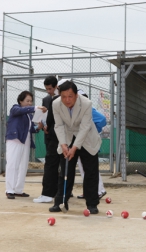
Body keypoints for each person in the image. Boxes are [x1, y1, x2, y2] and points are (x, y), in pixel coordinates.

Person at [49, 81, 101, 214]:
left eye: (70, 96)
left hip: (87, 139)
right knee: (65, 172)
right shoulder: (55, 104)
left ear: (76, 95)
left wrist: (74, 147)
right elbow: (58, 125)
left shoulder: (86, 104)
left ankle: (92, 204)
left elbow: (85, 127)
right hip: (67, 138)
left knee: (91, 172)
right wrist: (64, 145)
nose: (67, 100)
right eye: (63, 96)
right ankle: (60, 202)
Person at [5, 91, 47, 199]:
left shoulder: (28, 115)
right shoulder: (15, 108)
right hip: (15, 140)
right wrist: (35, 107)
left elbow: (30, 129)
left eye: (31, 101)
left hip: (26, 141)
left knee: (23, 166)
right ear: (20, 101)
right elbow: (19, 110)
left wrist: (39, 127)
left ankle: (18, 189)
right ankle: (10, 190)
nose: (29, 103)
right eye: (27, 101)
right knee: (12, 165)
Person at [76, 90, 107, 200]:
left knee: (90, 168)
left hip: (89, 143)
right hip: (81, 143)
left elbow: (102, 120)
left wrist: (94, 130)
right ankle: (89, 191)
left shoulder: (88, 109)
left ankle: (99, 190)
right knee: (84, 168)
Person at [33, 76, 60, 203]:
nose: (49, 91)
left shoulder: (62, 98)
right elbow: (44, 117)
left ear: (56, 86)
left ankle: (50, 193)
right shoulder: (46, 99)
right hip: (49, 135)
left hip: (59, 136)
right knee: (51, 163)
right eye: (47, 89)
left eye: (50, 88)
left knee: (55, 165)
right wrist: (43, 125)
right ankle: (52, 192)